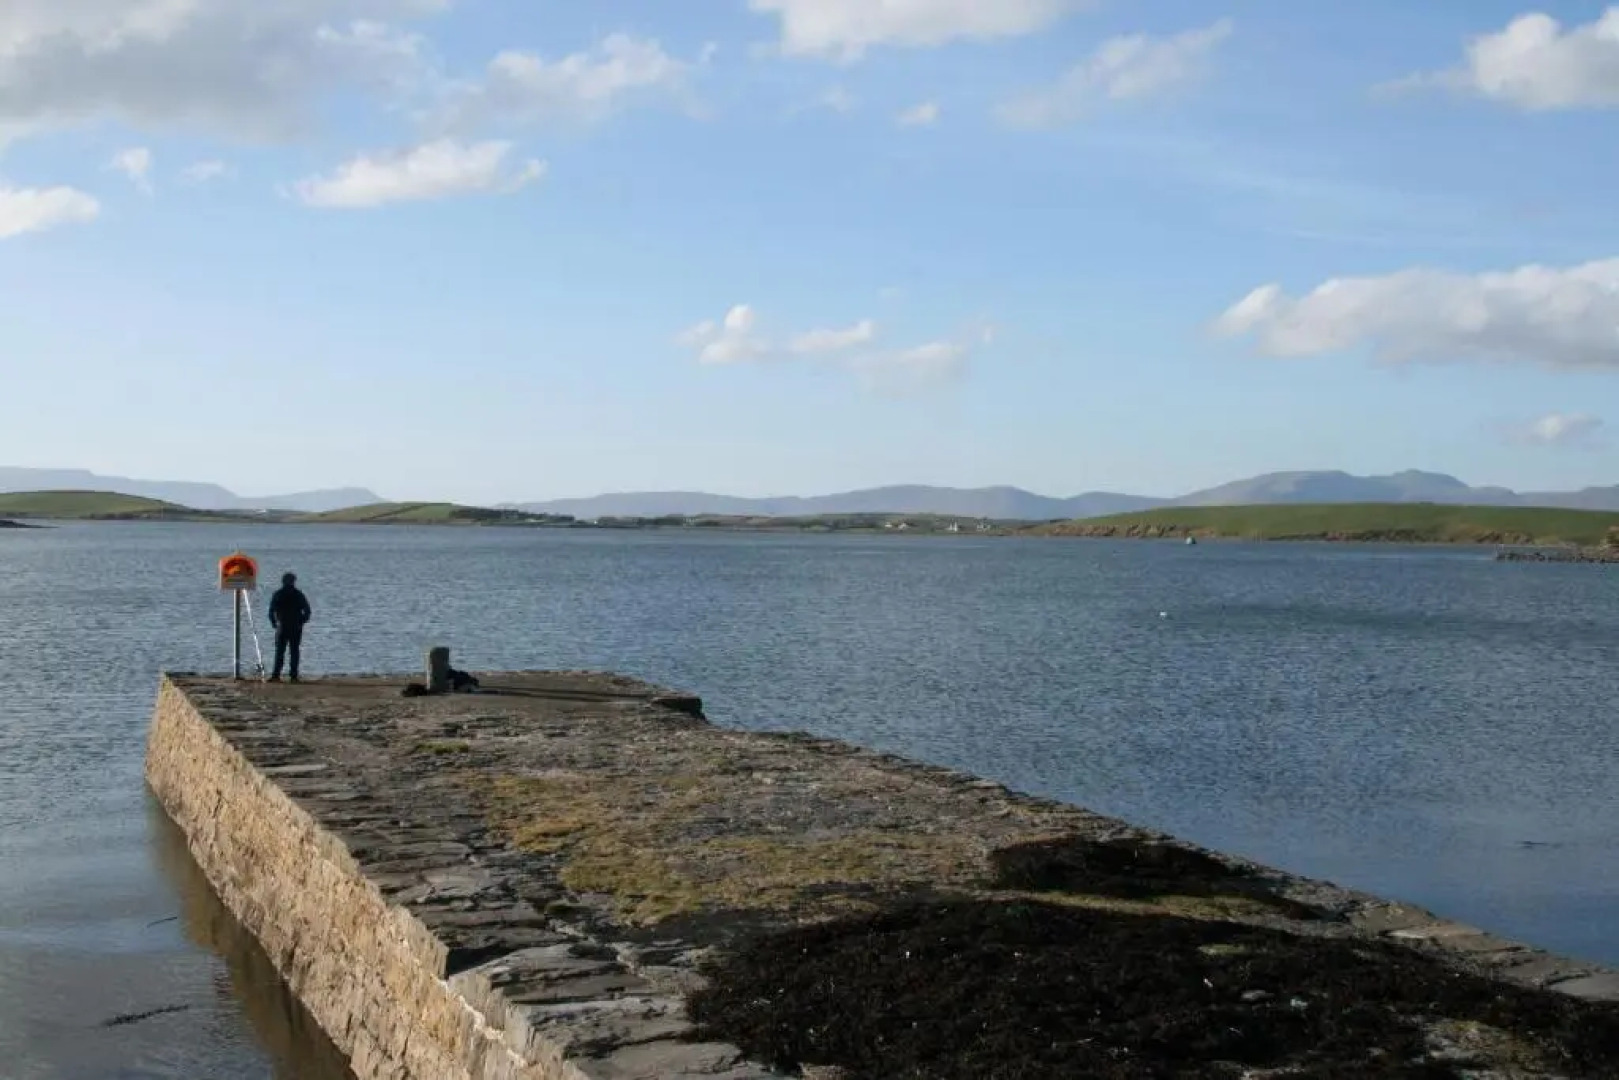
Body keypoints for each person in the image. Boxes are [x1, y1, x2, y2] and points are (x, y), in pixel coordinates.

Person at [267, 572, 312, 683]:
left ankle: (276, 675)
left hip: (282, 626)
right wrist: (301, 621)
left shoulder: (278, 594)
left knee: (280, 651)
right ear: (293, 581)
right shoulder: (298, 594)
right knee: (294, 651)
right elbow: (307, 611)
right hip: (295, 626)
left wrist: (274, 623)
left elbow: (271, 611)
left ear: (283, 581)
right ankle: (293, 676)